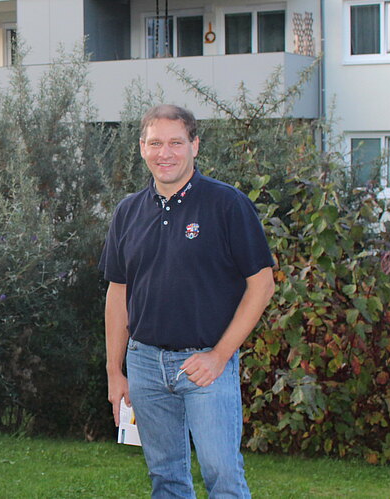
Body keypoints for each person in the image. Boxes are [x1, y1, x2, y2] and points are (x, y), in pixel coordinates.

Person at [101, 104, 275, 499]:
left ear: (195, 146)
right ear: (142, 148)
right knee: (165, 477)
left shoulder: (227, 204)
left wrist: (219, 355)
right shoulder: (128, 212)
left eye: (176, 142)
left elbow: (262, 285)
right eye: (156, 143)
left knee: (223, 477)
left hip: (205, 367)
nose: (166, 153)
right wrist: (116, 370)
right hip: (145, 364)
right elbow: (117, 294)